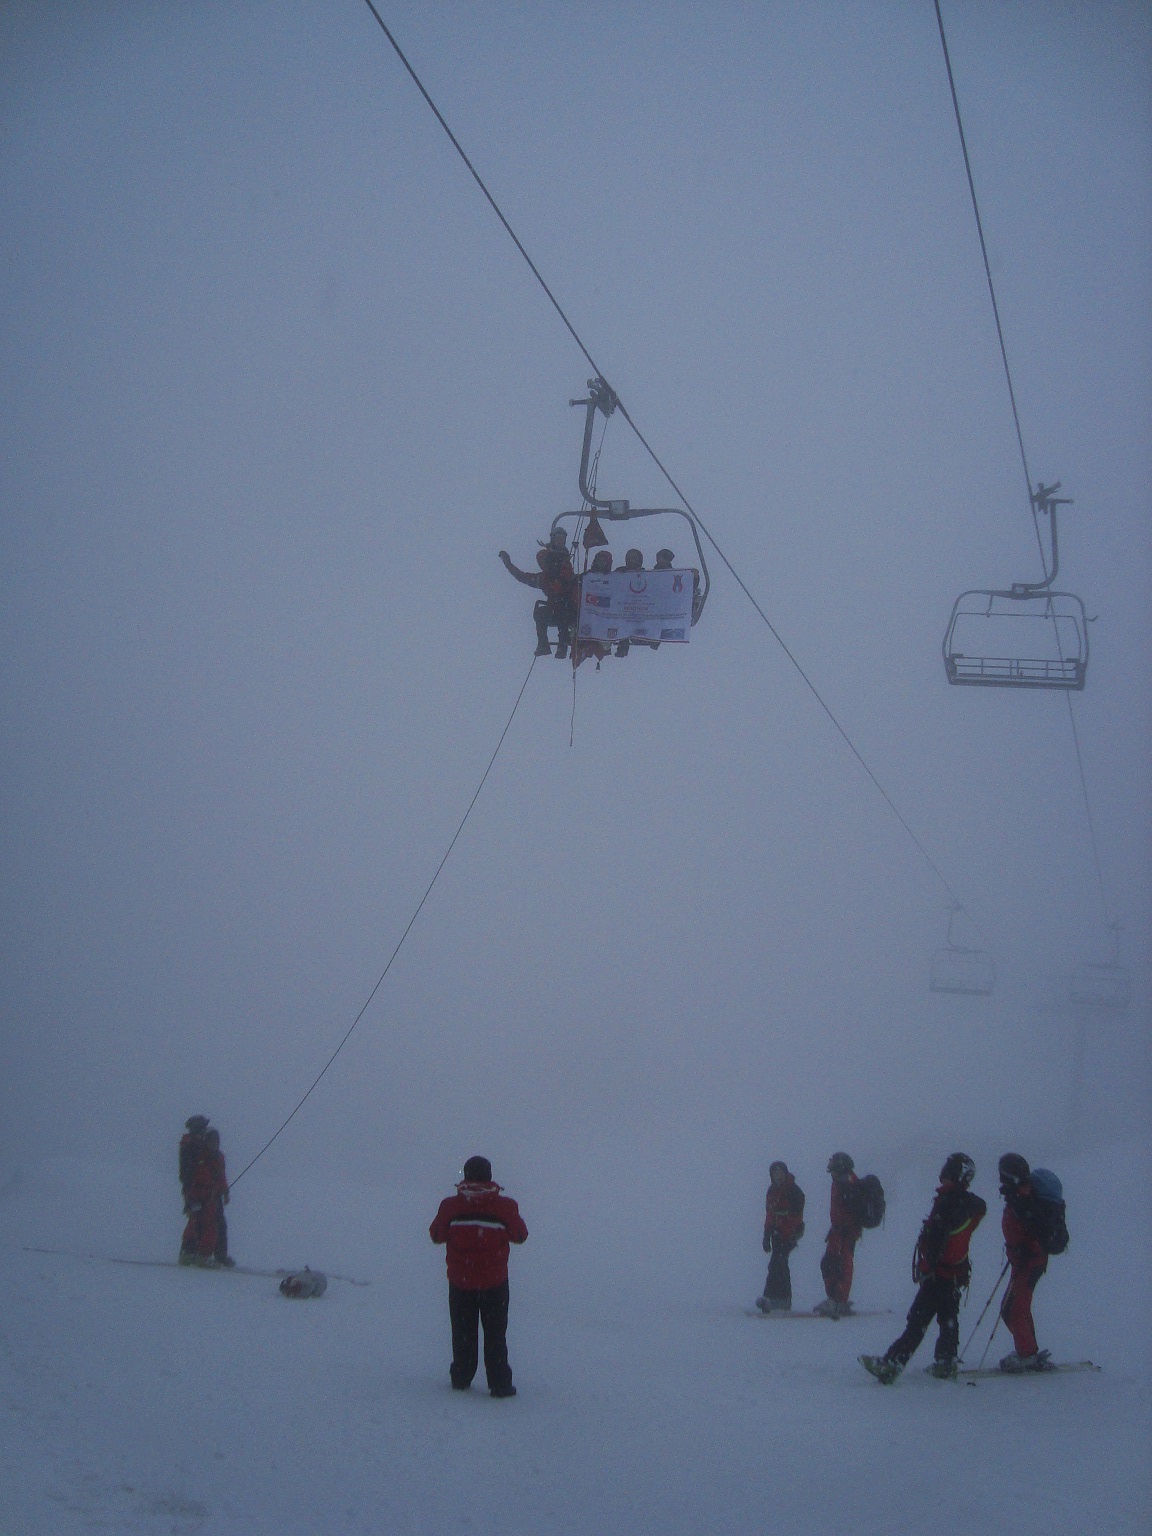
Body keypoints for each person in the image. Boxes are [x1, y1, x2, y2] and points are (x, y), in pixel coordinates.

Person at [860, 1153, 986, 1383]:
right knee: (948, 1318)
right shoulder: (970, 1205)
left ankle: (892, 1363)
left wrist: (926, 1269)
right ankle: (945, 1363)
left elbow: (936, 1240)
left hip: (940, 1274)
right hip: (956, 1273)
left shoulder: (948, 1202)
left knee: (918, 1320)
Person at [430, 1155, 528, 1397]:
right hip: (494, 1283)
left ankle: (461, 1377)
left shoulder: (450, 1207)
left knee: (462, 1332)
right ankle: (499, 1383)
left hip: (460, 1283)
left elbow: (436, 1235)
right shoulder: (505, 1206)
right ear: (490, 1176)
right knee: (495, 1334)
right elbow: (520, 1236)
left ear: (465, 1175)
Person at [997, 1153, 1055, 1372]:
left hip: (1028, 1263)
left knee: (1014, 1310)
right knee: (1013, 1308)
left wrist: (1024, 1250)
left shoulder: (1023, 1199)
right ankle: (1029, 1349)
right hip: (1025, 1261)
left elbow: (1035, 1231)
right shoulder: (1021, 1195)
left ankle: (1027, 1354)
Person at [499, 540, 577, 657]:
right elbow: (521, 576)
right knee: (541, 613)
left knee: (563, 609)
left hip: (571, 611)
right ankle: (543, 644)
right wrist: (508, 563)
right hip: (555, 611)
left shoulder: (566, 574)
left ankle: (563, 643)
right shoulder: (543, 579)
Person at [815, 1152, 862, 1317]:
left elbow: (850, 1210)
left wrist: (845, 1227)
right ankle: (834, 1298)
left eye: (833, 1167)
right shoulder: (840, 1182)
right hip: (838, 1230)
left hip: (846, 1232)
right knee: (829, 1262)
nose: (831, 1171)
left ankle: (839, 1300)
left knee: (842, 1264)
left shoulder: (847, 1182)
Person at [756, 1160, 805, 1312]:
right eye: (775, 1174)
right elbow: (770, 1215)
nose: (778, 1176)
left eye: (780, 1173)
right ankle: (779, 1299)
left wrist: (792, 1234)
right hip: (777, 1234)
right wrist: (766, 1236)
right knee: (778, 1263)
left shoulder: (793, 1190)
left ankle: (774, 1298)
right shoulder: (772, 1191)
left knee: (778, 1262)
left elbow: (797, 1215)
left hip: (789, 1233)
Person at [180, 1127, 231, 1268]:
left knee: (212, 1226)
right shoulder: (199, 1156)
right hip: (197, 1196)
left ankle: (206, 1255)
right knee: (196, 1225)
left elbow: (221, 1177)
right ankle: (192, 1255)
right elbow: (192, 1177)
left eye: (216, 1141)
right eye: (211, 1141)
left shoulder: (219, 1157)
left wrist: (225, 1192)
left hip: (212, 1198)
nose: (214, 1144)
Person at [573, 549, 613, 668]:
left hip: (605, 619)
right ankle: (583, 650)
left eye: (604, 561)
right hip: (585, 615)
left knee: (605, 640)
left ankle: (590, 648)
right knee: (578, 632)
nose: (601, 563)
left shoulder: (614, 579)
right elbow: (575, 593)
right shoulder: (585, 577)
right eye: (599, 560)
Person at [178, 1116, 210, 1262]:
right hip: (193, 1189)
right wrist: (190, 1190)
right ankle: (187, 1251)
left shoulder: (197, 1145)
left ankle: (194, 1252)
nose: (204, 1131)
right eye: (203, 1128)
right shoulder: (189, 1146)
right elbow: (187, 1172)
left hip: (201, 1189)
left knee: (201, 1219)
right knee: (194, 1219)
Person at [612, 549, 645, 656]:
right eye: (629, 558)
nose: (632, 560)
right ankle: (623, 644)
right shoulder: (620, 571)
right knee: (621, 621)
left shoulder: (646, 574)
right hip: (622, 604)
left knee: (630, 621)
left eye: (635, 558)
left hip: (639, 606)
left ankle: (629, 642)